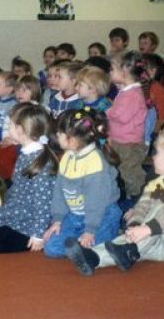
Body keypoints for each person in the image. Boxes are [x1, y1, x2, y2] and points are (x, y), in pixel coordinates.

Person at [64, 122, 164, 276]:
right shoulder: (157, 182)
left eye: (156, 153)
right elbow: (142, 207)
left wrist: (145, 229)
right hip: (161, 240)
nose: (153, 157)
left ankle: (131, 246)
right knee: (133, 249)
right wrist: (135, 226)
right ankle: (94, 257)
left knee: (162, 206)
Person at [0, 103, 59, 254]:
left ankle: (31, 237)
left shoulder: (41, 162)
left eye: (10, 125)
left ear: (20, 130)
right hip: (15, 208)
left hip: (31, 217)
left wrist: (38, 235)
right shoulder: (25, 152)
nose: (7, 128)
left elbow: (43, 203)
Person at [43, 109, 121, 258]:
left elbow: (96, 201)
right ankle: (80, 248)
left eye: (59, 133)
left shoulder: (95, 162)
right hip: (76, 216)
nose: (57, 135)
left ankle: (111, 236)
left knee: (94, 246)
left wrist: (90, 230)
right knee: (51, 248)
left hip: (101, 215)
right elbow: (59, 193)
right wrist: (57, 220)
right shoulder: (67, 157)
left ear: (72, 139)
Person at [106, 51, 148, 199]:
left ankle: (137, 196)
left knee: (129, 171)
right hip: (119, 140)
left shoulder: (132, 94)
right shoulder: (126, 91)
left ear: (124, 70)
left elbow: (122, 117)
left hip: (129, 143)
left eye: (112, 69)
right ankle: (126, 194)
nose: (109, 72)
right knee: (120, 168)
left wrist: (108, 111)